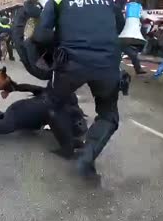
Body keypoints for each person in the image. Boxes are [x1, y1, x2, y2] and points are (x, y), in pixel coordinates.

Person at [33, 0, 125, 179]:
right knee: (109, 116)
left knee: (51, 103)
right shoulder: (108, 2)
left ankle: (67, 145)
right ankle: (86, 157)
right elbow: (119, 27)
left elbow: (40, 36)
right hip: (107, 65)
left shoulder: (57, 1)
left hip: (69, 64)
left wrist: (62, 39)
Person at [119, 0, 146, 75]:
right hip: (124, 38)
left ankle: (138, 69)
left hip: (123, 39)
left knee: (131, 54)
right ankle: (138, 69)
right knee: (132, 54)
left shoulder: (125, 11)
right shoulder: (137, 20)